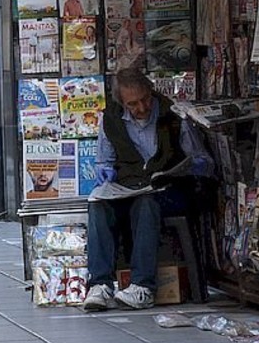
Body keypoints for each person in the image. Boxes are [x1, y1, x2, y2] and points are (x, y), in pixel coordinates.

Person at [83, 68, 215, 312]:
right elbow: (104, 161)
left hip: (168, 190)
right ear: (122, 103)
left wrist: (188, 167)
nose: (142, 108)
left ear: (151, 92)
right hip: (128, 187)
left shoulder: (173, 115)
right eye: (132, 104)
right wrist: (105, 173)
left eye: (145, 99)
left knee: (147, 204)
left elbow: (203, 160)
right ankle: (99, 284)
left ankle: (143, 286)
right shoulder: (111, 119)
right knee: (98, 205)